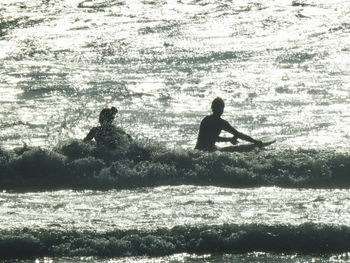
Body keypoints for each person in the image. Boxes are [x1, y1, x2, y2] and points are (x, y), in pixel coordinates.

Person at [195, 97, 262, 151]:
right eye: (220, 108)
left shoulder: (206, 119)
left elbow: (237, 134)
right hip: (207, 152)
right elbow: (212, 138)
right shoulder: (219, 122)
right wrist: (255, 141)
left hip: (198, 151)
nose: (220, 110)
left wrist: (254, 141)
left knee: (216, 148)